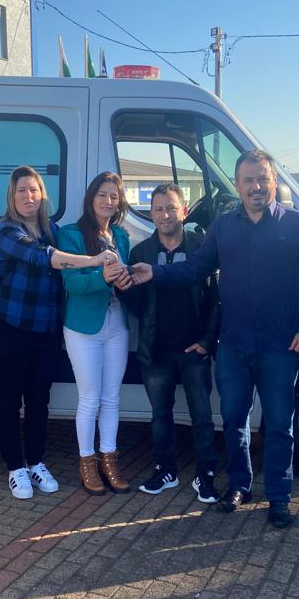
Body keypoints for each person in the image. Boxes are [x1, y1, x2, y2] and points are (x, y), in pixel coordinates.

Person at [131, 150, 299, 526]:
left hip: (280, 346)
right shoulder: (223, 227)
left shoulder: (298, 226)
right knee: (234, 421)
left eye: (263, 179)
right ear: (238, 185)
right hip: (233, 346)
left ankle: (279, 496)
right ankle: (239, 485)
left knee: (279, 425)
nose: (256, 186)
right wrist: (155, 273)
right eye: (248, 180)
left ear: (274, 181)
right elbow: (194, 269)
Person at [0, 166, 118, 499]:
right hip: (8, 327)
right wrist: (94, 260)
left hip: (45, 329)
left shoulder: (53, 230)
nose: (28, 196)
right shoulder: (5, 231)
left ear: (43, 195)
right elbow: (43, 258)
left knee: (39, 401)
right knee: (9, 401)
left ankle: (36, 462)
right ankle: (15, 468)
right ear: (12, 196)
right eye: (21, 190)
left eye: (34, 190)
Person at [121, 183, 221, 502]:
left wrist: (207, 341)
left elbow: (217, 299)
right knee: (160, 416)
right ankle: (165, 470)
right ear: (151, 214)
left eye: (171, 208)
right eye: (159, 209)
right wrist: (123, 289)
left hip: (195, 349)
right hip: (156, 350)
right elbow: (136, 304)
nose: (165, 215)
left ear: (184, 211)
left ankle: (205, 474)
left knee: (202, 416)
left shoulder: (201, 247)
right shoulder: (141, 253)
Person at [59, 172, 133, 496]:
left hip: (117, 324)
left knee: (112, 397)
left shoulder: (121, 235)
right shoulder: (71, 235)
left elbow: (124, 278)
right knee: (89, 398)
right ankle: (87, 462)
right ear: (91, 198)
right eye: (102, 194)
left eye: (114, 196)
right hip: (83, 326)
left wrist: (127, 280)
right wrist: (103, 278)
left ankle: (109, 460)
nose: (108, 201)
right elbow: (71, 283)